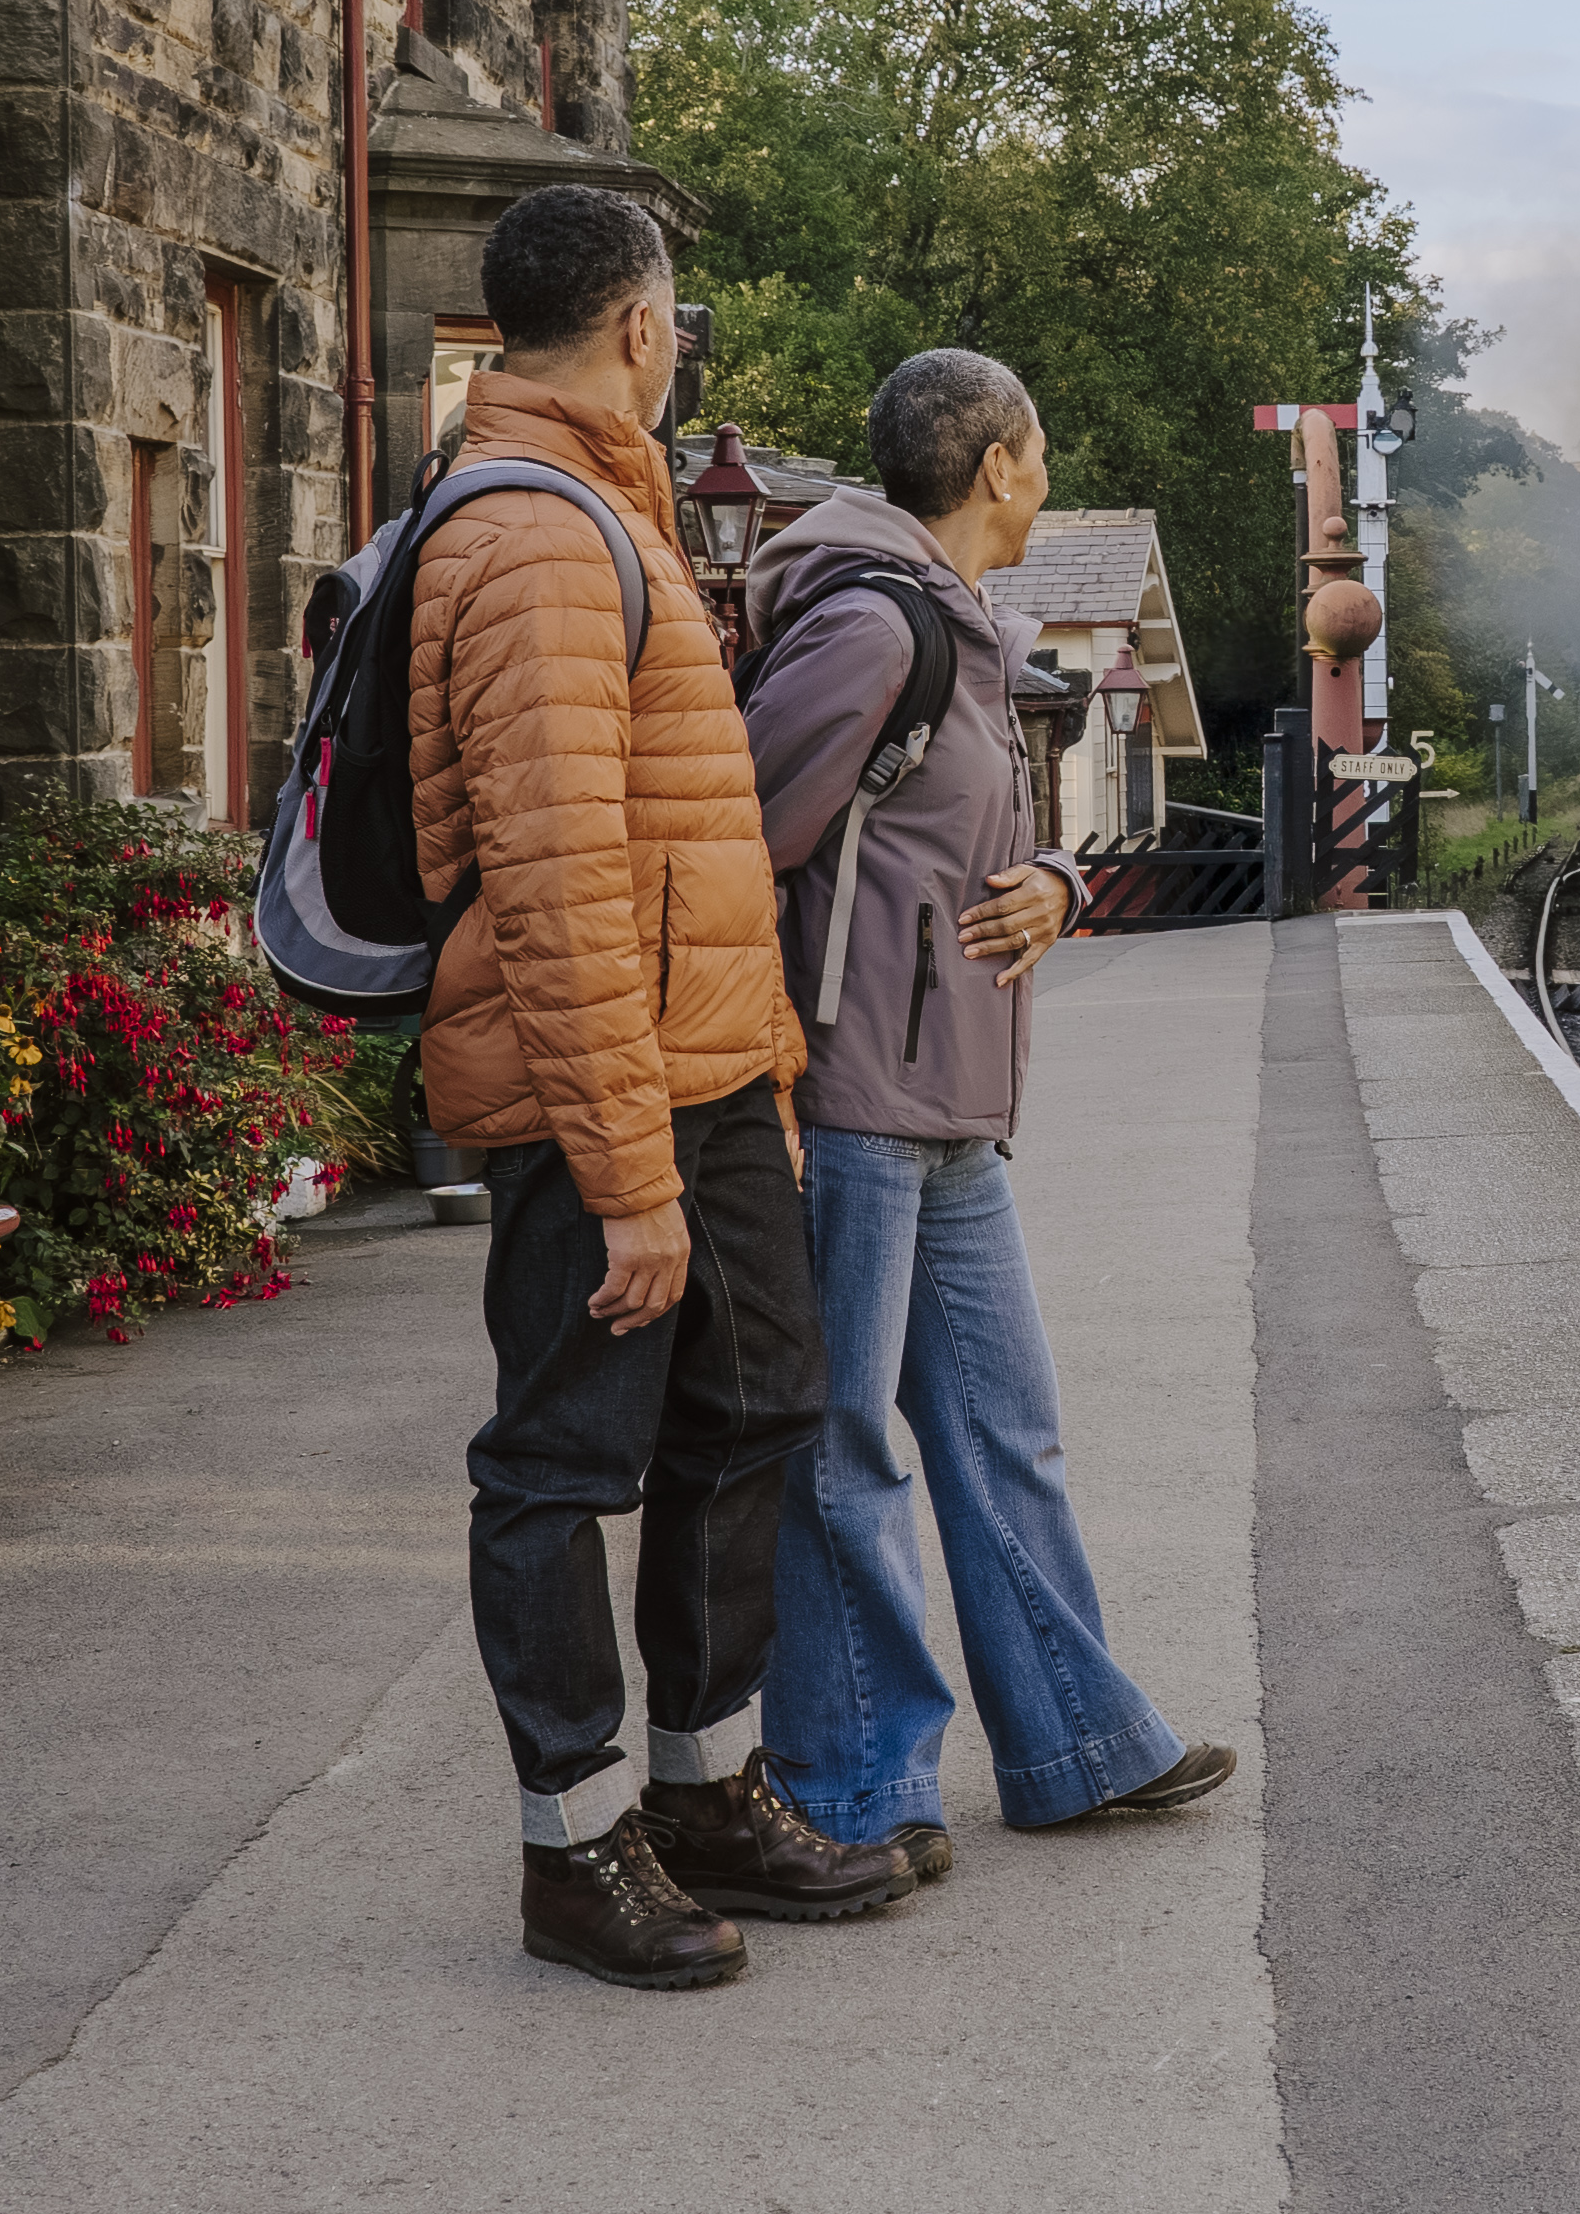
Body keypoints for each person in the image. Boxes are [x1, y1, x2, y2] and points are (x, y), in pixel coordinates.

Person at [407, 184, 911, 1987]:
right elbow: (555, 882)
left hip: (700, 1073)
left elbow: (690, 855)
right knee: (560, 1464)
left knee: (756, 1408)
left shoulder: (614, 508)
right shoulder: (537, 540)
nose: (681, 343)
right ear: (639, 325)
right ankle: (574, 1843)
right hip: (587, 1097)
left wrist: (755, 1087)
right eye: (678, 316)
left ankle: (702, 1792)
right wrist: (629, 1174)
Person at [743, 348, 1237, 1877]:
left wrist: (1060, 886)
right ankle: (851, 1787)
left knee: (1003, 1432)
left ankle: (1077, 1745)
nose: (1047, 465)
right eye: (1042, 444)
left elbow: (977, 847)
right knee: (848, 1448)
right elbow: (740, 829)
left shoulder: (954, 629)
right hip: (855, 1098)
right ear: (1002, 464)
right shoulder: (870, 620)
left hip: (951, 1100)